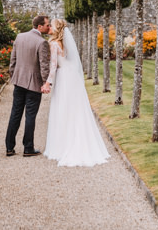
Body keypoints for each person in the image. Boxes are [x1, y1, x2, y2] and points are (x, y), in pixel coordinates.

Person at [42, 19, 110, 167]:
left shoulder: (53, 44)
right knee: (76, 110)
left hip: (63, 79)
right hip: (73, 77)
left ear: (57, 28)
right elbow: (71, 62)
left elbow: (53, 66)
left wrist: (48, 82)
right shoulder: (66, 44)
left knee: (63, 109)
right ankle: (79, 140)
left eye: (51, 26)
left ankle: (63, 146)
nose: (49, 28)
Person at [5, 15, 52, 157]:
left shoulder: (19, 37)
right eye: (47, 25)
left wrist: (13, 76)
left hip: (18, 82)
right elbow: (44, 65)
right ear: (39, 27)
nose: (48, 27)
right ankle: (28, 148)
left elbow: (12, 60)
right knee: (30, 116)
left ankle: (9, 147)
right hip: (34, 84)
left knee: (15, 114)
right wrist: (46, 82)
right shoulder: (42, 42)